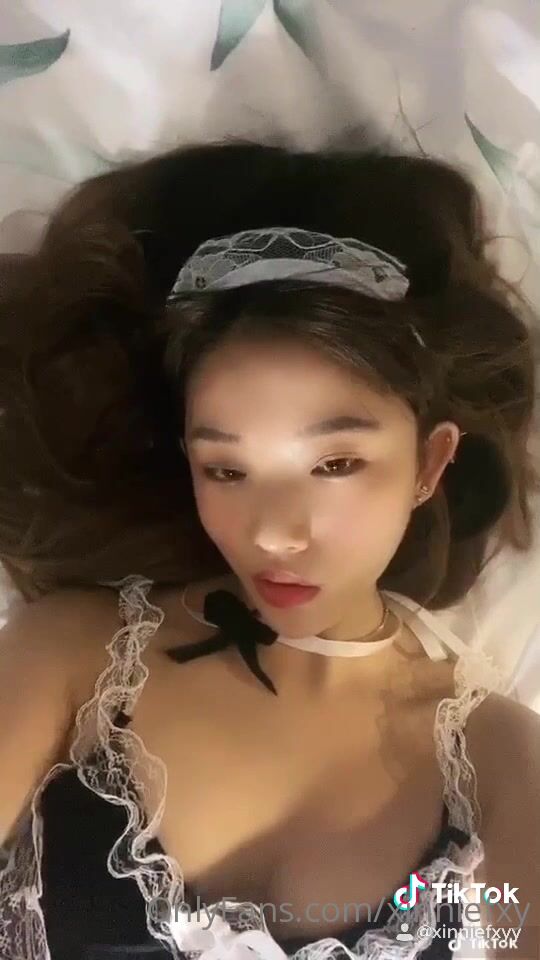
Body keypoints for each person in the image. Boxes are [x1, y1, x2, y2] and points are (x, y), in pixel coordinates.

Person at [0, 142, 539, 960]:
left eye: (336, 464)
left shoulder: (501, 764)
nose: (273, 533)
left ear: (430, 465)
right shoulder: (75, 656)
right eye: (226, 470)